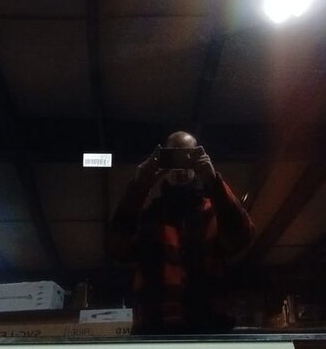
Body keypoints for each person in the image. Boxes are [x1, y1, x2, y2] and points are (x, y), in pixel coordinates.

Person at [109, 131, 255, 334]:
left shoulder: (212, 212)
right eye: (173, 157)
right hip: (160, 328)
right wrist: (140, 184)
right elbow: (118, 248)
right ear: (164, 161)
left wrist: (213, 181)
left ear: (198, 160)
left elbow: (241, 238)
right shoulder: (150, 215)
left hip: (205, 327)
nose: (180, 167)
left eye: (188, 157)